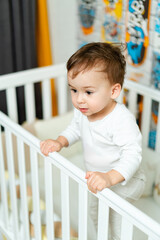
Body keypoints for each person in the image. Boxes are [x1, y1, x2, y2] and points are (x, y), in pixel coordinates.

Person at [40, 42, 146, 240]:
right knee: (95, 215)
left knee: (117, 223)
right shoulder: (84, 111)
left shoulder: (121, 120)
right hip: (98, 179)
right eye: (74, 90)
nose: (79, 99)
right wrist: (60, 142)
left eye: (88, 92)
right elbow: (75, 129)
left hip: (125, 181)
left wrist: (109, 178)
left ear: (114, 91)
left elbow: (132, 155)